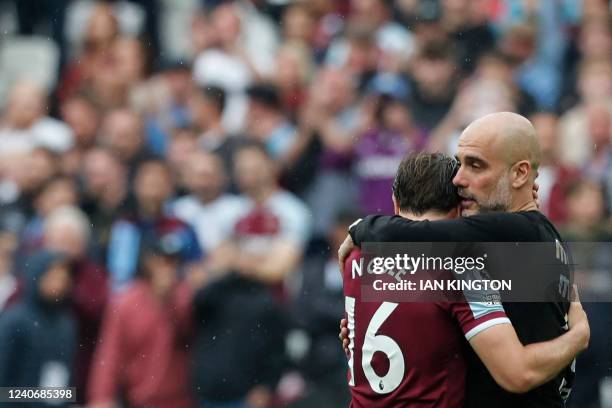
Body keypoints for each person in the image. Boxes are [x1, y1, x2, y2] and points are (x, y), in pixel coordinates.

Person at [339, 112, 588, 407]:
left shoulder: (500, 240)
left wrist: (364, 227)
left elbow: (517, 373)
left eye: (475, 165)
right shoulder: (541, 236)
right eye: (460, 163)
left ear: (520, 174)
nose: (458, 179)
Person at [88, 237, 195, 408]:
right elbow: (110, 353)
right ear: (148, 262)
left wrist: (167, 299)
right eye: (161, 261)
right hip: (138, 399)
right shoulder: (127, 301)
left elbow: (189, 332)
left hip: (182, 400)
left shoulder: (187, 297)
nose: (166, 268)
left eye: (171, 262)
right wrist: (101, 396)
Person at [0, 250, 76, 397]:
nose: (59, 283)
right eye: (52, 277)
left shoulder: (66, 324)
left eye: (62, 278)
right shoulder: (15, 321)